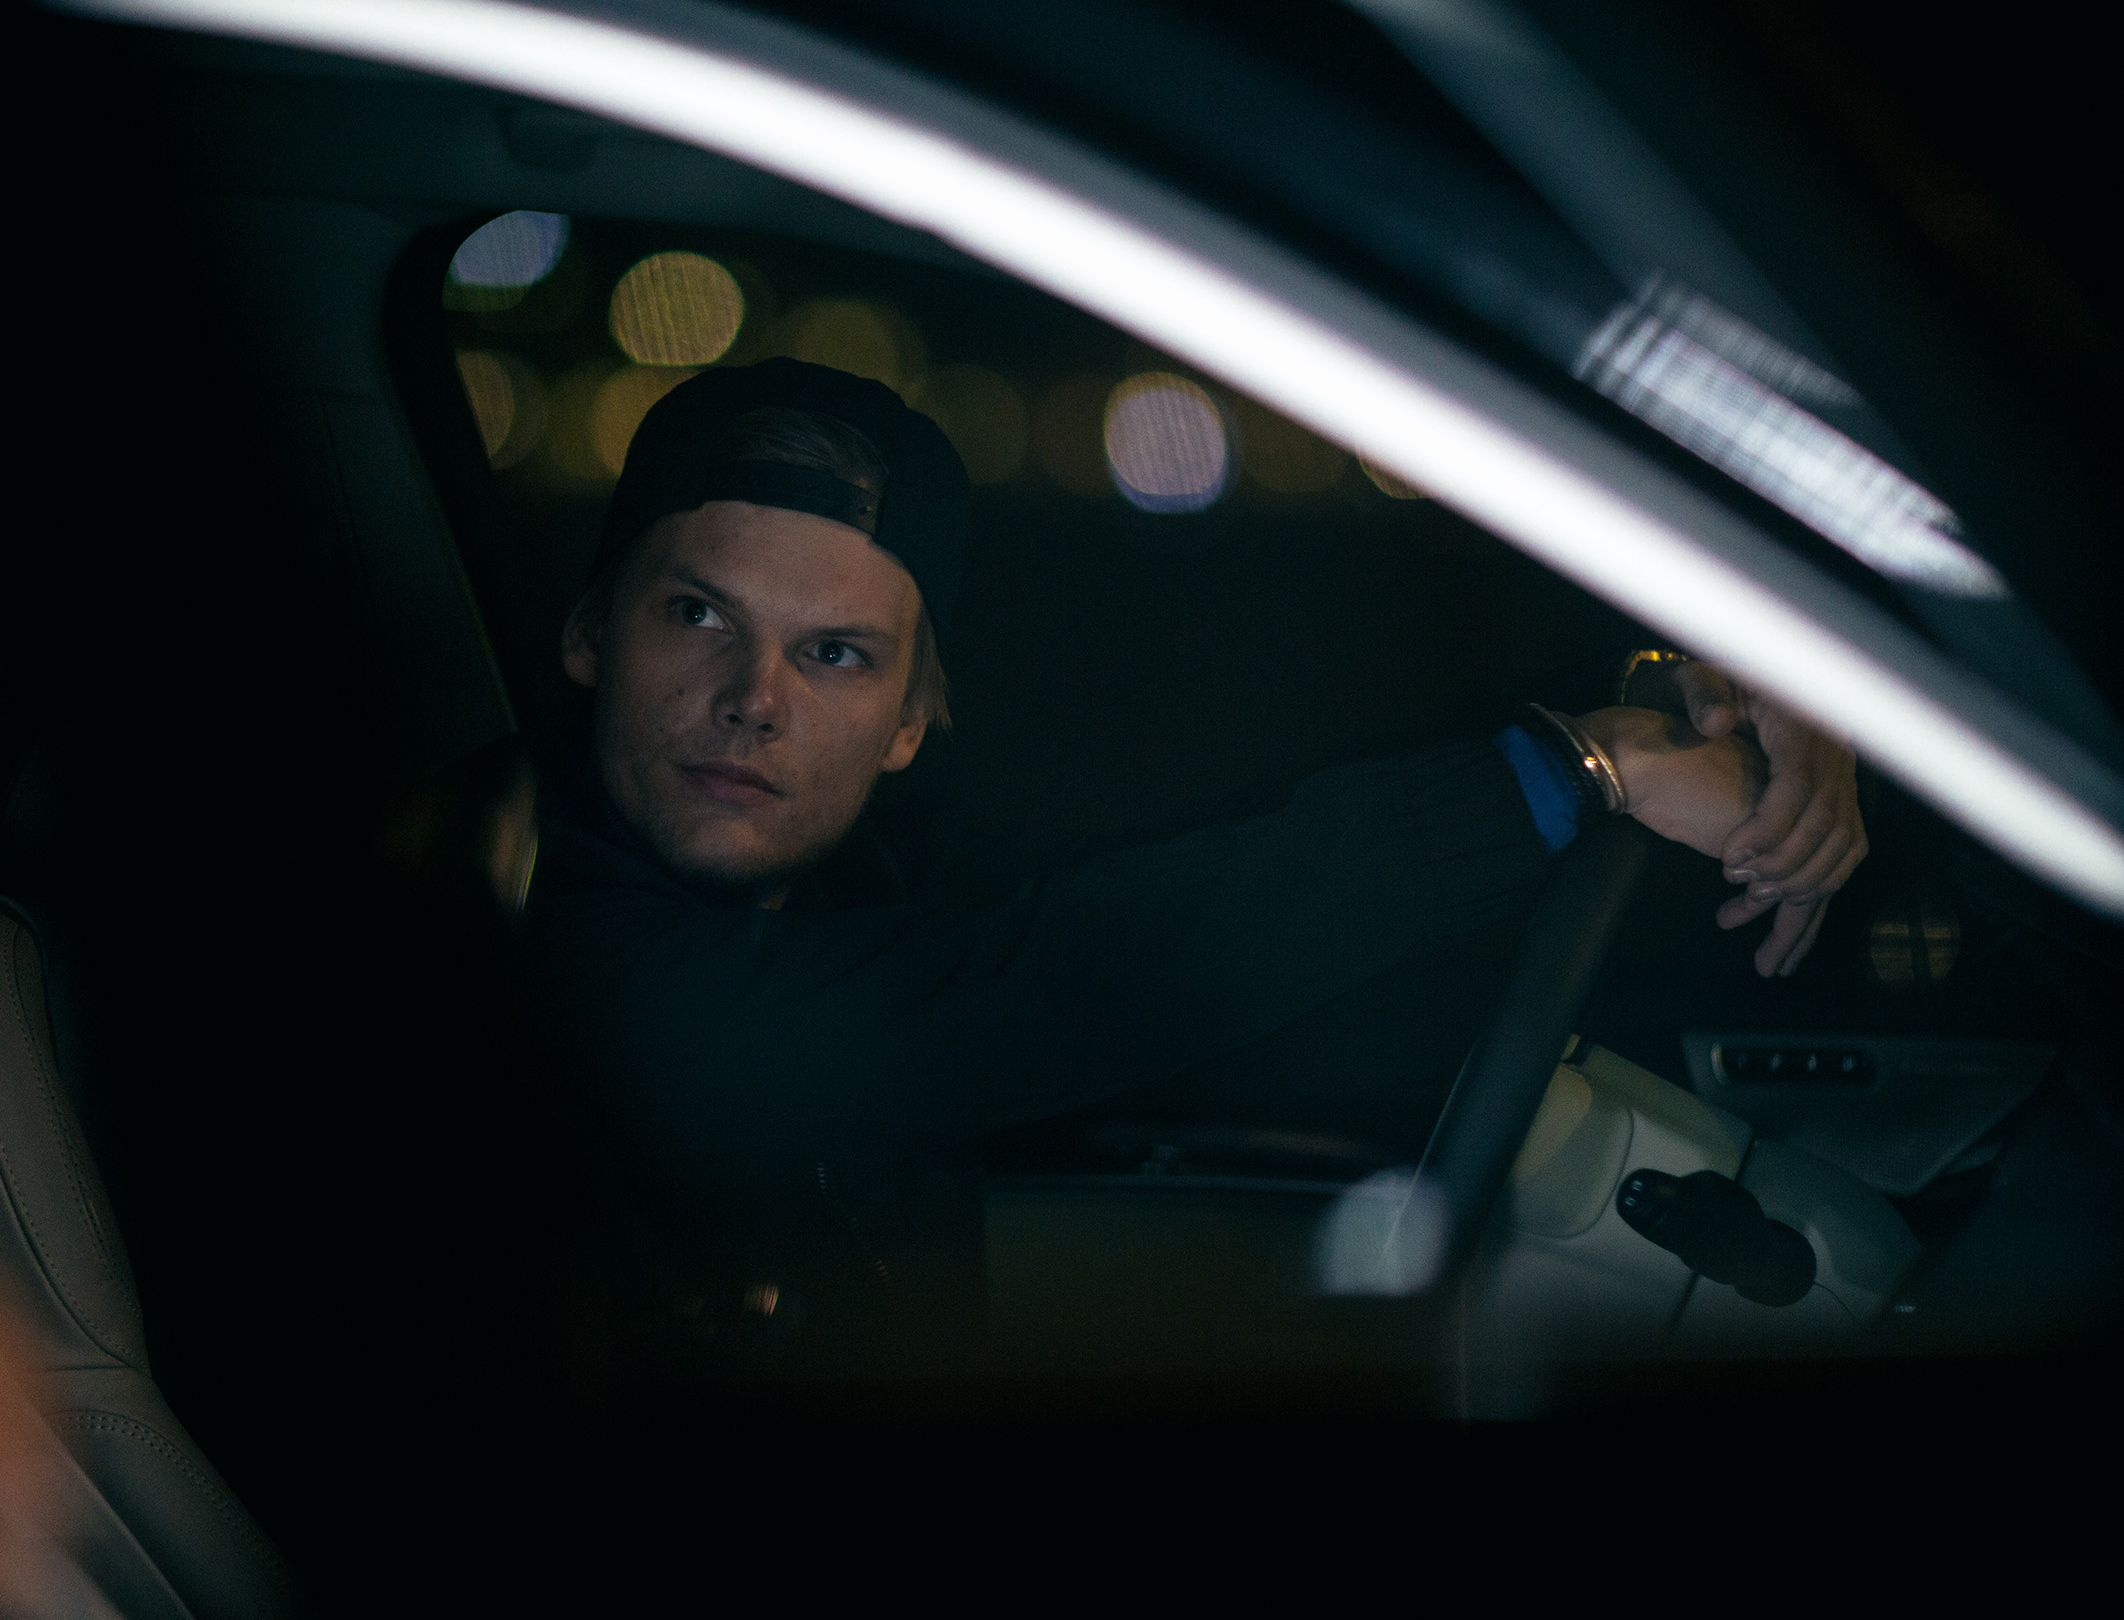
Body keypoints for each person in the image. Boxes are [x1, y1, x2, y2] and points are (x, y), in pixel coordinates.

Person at [525, 357, 1866, 1370]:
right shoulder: (564, 968)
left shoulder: (862, 879)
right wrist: (1589, 767)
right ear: (589, 633)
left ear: (910, 723)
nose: (754, 699)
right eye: (695, 613)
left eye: (835, 654)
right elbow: (1091, 972)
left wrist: (1669, 709)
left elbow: (1201, 859)